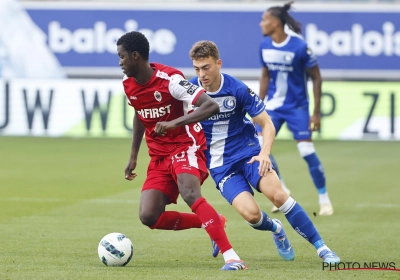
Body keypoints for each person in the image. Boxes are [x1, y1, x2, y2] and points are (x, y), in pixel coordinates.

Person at [188, 40, 340, 264]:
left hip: (249, 154)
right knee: (252, 215)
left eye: (206, 67)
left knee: (279, 196)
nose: (202, 74)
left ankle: (323, 249)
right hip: (220, 166)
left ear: (218, 63)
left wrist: (265, 154)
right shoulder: (190, 90)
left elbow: (267, 124)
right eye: (197, 69)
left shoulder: (237, 89)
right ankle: (276, 228)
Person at [116, 31, 247, 271]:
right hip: (158, 156)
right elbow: (139, 111)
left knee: (190, 193)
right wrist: (134, 154)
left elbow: (211, 105)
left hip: (184, 146)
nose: (120, 62)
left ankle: (232, 257)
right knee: (149, 216)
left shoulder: (170, 80)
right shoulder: (128, 85)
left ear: (135, 56)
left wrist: (173, 123)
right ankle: (212, 222)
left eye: (122, 57)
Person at [257, 1, 334, 216]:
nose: (261, 23)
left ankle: (324, 199)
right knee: (261, 147)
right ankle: (281, 187)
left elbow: (316, 78)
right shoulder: (264, 46)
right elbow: (265, 75)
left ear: (276, 23)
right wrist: (258, 105)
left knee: (306, 151)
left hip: (297, 107)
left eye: (264, 20)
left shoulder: (300, 47)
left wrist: (316, 112)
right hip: (273, 106)